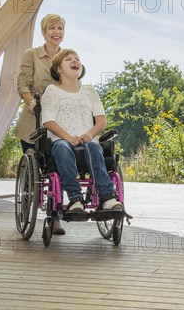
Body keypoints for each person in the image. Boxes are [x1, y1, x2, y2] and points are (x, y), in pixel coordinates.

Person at [41, 49, 123, 212]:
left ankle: (107, 197)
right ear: (58, 69)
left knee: (94, 146)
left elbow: (101, 121)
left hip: (87, 140)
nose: (75, 61)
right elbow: (48, 121)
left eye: (77, 59)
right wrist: (69, 137)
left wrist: (90, 134)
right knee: (63, 148)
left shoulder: (90, 92)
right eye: (68, 59)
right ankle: (75, 198)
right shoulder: (52, 91)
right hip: (61, 140)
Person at [16, 13, 66, 234]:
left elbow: (74, 82)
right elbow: (23, 83)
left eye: (60, 28)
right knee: (32, 166)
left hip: (58, 118)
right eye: (52, 28)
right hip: (34, 118)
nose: (56, 32)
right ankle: (29, 203)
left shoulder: (67, 56)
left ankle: (55, 217)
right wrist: (31, 101)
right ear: (44, 32)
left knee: (58, 165)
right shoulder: (32, 55)